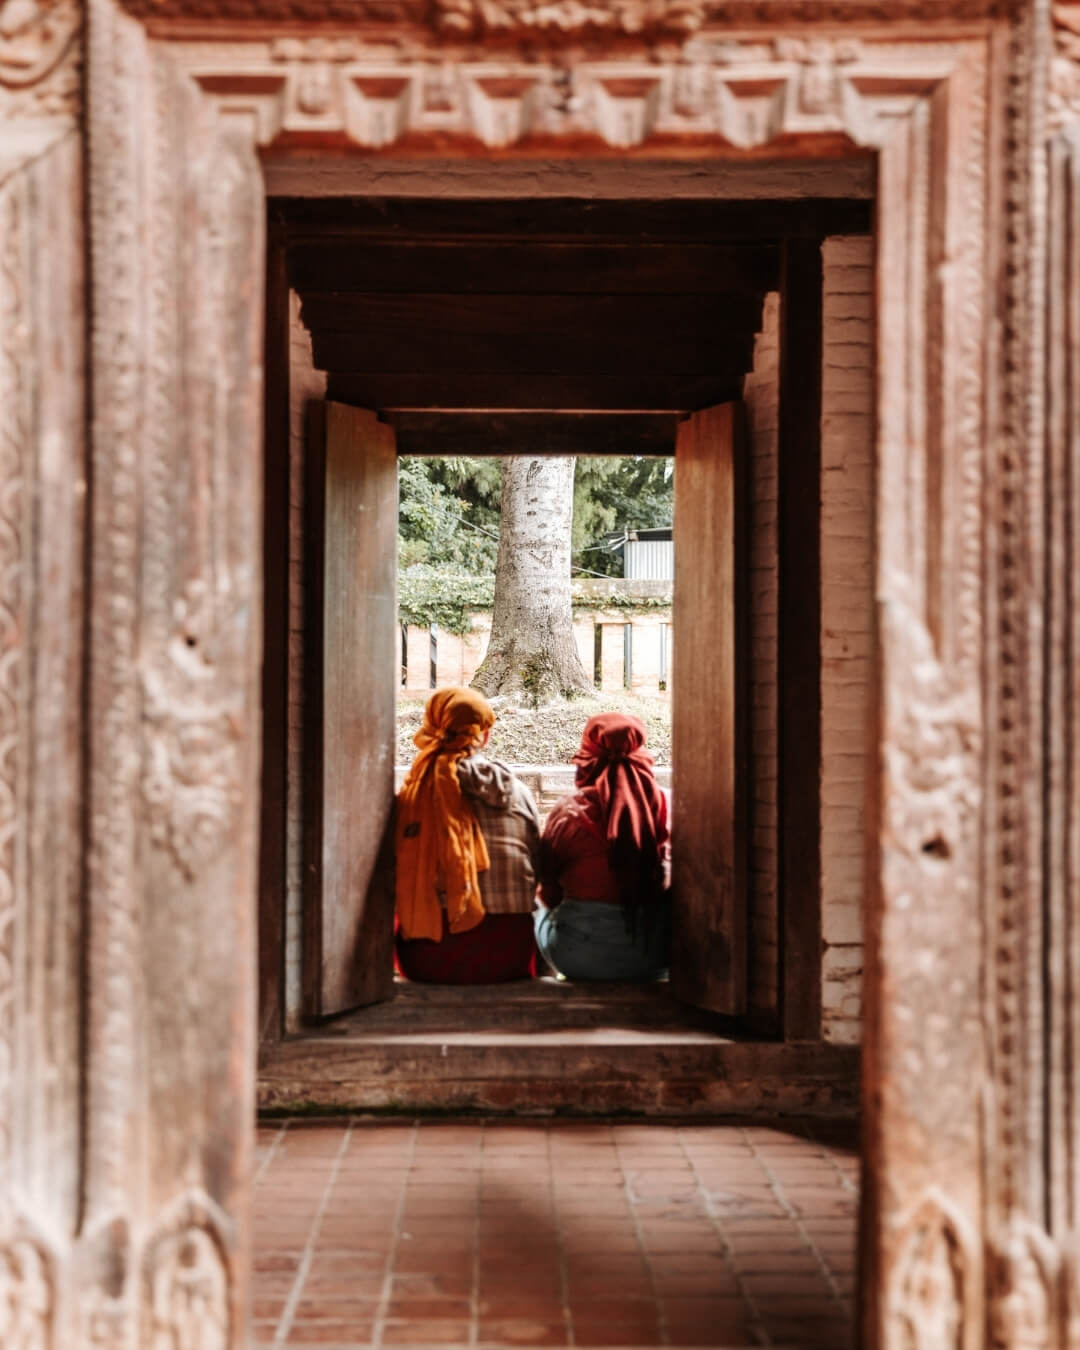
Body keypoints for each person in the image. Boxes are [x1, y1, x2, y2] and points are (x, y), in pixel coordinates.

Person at [395, 686, 541, 983]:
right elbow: (538, 871)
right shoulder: (518, 793)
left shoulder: (411, 798)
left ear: (430, 731)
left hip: (428, 959)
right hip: (510, 957)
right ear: (485, 736)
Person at [535, 712, 671, 981]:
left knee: (532, 907)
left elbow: (549, 895)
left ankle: (543, 989)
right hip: (655, 957)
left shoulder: (569, 813)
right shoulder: (668, 807)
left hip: (578, 958)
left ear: (586, 756)